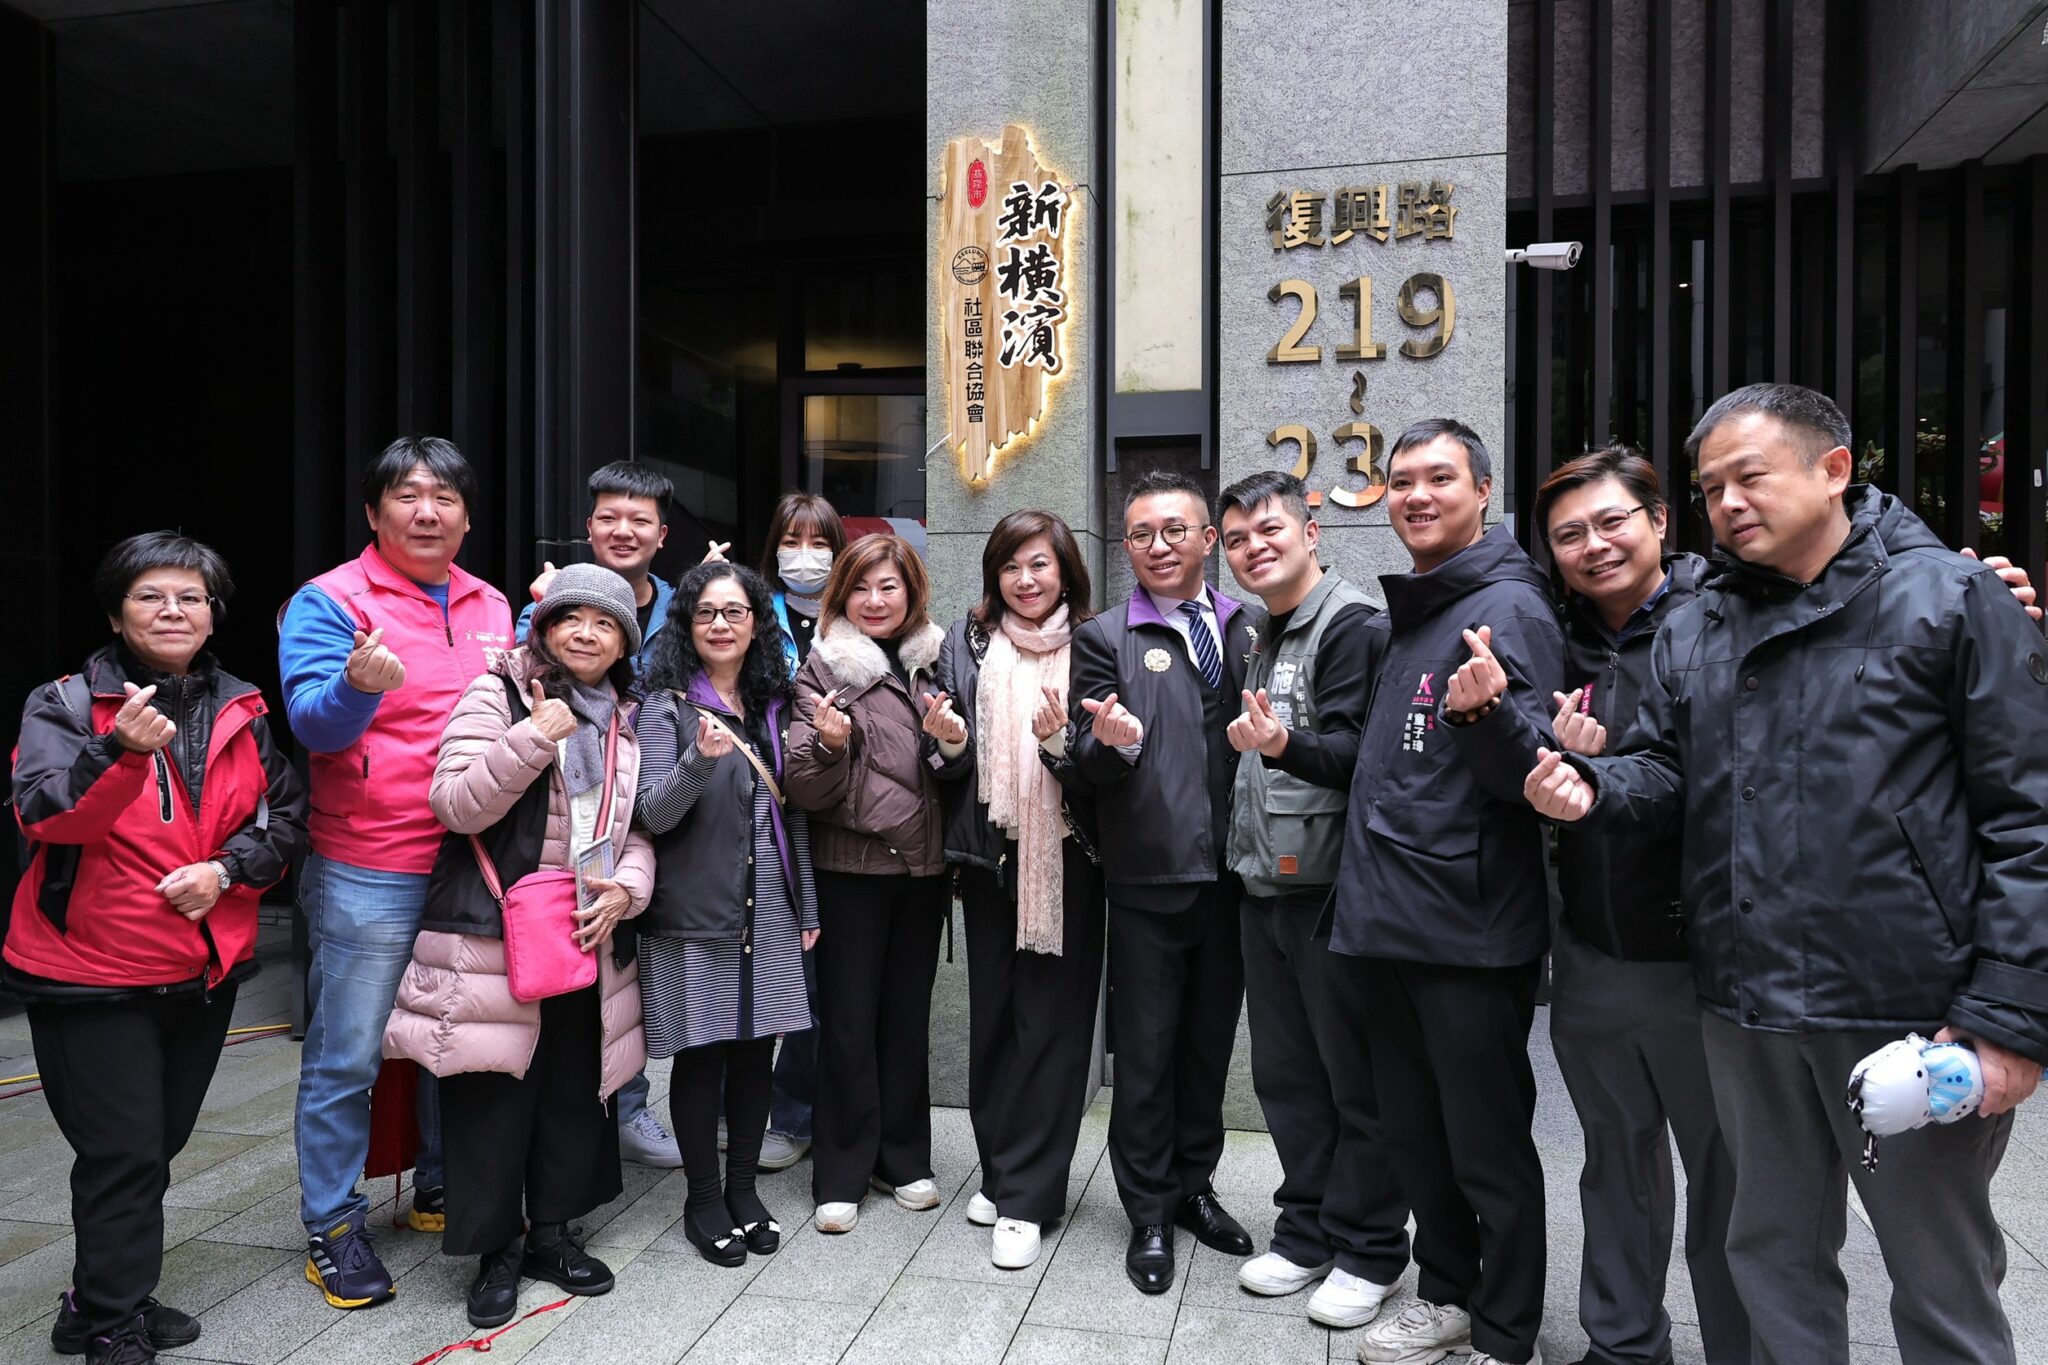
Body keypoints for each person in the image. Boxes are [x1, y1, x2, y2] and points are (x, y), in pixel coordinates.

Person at [1521, 384, 2048, 1365]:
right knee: (1770, 1259)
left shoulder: (1953, 598)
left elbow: (2028, 818)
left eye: (1748, 476)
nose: (1727, 503)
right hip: (1744, 999)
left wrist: (2009, 1018)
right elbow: (1664, 769)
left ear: (1832, 468)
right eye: (1710, 486)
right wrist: (1590, 786)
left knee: (1939, 1278)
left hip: (1908, 1007)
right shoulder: (1698, 624)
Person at [7, 533, 308, 1365]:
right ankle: (112, 1320)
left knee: (155, 1146)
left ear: (212, 614)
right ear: (115, 613)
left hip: (201, 969)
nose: (173, 610)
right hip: (90, 971)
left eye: (190, 596)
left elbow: (287, 820)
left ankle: (94, 1300)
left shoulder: (246, 710)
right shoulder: (66, 704)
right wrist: (119, 752)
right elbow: (45, 814)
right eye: (150, 595)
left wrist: (225, 870)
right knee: (126, 1153)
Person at [1331, 420, 1562, 1365]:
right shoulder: (1426, 605)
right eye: (1401, 481)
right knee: (1419, 1137)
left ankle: (1505, 1332)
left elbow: (1533, 774)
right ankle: (1448, 1295)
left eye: (1439, 478)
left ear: (1484, 489)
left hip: (1468, 929)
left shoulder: (1508, 606)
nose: (1416, 495)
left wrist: (1490, 716)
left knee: (1487, 1146)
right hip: (1393, 922)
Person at [384, 564, 654, 1330]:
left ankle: (554, 1235)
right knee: (495, 1090)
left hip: (586, 926)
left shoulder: (623, 717)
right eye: (572, 618)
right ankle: (496, 1251)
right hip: (498, 930)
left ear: (623, 643)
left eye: (605, 624)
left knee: (574, 1086)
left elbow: (633, 830)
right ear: (545, 626)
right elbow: (454, 803)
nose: (586, 634)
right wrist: (533, 737)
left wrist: (628, 889)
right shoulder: (495, 693)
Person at [281, 436, 513, 1308]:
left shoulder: (493, 604)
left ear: (466, 515)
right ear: (374, 513)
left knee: (456, 1033)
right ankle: (333, 1223)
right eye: (408, 496)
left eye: (444, 496)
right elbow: (314, 726)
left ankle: (440, 1180)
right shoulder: (330, 599)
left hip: (471, 859)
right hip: (369, 861)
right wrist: (356, 685)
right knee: (348, 1051)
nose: (427, 511)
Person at [1212, 471, 1412, 1330]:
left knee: (1353, 1083)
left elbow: (1364, 756)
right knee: (1287, 1077)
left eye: (1269, 530)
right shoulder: (1264, 629)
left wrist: (1282, 743)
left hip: (1332, 894)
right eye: (1237, 539)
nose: (1253, 548)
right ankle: (1307, 1231)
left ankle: (1370, 1249)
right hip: (1268, 888)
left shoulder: (1354, 625)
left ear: (1310, 531)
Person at [1058, 469, 1258, 1296]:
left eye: (1176, 530)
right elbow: (1083, 759)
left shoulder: (1250, 626)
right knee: (1144, 1053)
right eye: (1142, 533)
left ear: (1208, 540)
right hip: (1148, 876)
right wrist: (1115, 744)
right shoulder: (1106, 635)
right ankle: (1146, 1209)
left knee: (1206, 1048)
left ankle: (1192, 1188)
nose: (1158, 545)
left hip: (1236, 876)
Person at [931, 509, 1106, 1271]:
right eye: (1010, 565)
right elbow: (944, 754)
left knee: (1054, 1024)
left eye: (1039, 564)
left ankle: (1029, 1197)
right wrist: (951, 745)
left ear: (1066, 569)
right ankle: (1001, 1167)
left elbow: (1110, 760)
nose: (1025, 579)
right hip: (987, 854)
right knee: (996, 1020)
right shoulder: (966, 641)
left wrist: (1064, 745)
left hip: (1070, 853)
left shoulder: (1098, 642)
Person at [633, 562, 820, 1266]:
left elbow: (793, 814)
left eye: (735, 611)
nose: (720, 624)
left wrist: (807, 903)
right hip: (694, 908)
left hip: (769, 902)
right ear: (685, 624)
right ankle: (704, 1198)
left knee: (754, 1051)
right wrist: (697, 761)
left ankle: (744, 1189)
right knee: (702, 1052)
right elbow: (652, 813)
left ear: (756, 623)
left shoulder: (774, 706)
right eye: (706, 612)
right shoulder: (664, 707)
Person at [784, 533, 950, 1234]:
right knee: (848, 1024)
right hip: (850, 871)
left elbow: (956, 766)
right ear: (840, 595)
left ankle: (903, 1158)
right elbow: (802, 785)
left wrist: (953, 743)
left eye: (889, 586)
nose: (875, 600)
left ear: (912, 592)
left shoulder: (938, 662)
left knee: (906, 1021)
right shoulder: (821, 669)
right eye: (860, 587)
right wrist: (828, 745)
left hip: (923, 872)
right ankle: (842, 1170)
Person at [518, 460, 683, 1169]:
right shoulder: (548, 604)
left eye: (639, 519)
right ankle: (563, 1125)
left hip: (660, 801)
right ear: (589, 527)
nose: (623, 530)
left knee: (628, 975)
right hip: (570, 818)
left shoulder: (683, 604)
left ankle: (629, 1105)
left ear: (661, 534)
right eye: (609, 517)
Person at [750, 491, 847, 1170]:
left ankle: (804, 1113)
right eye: (792, 541)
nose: (805, 556)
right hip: (766, 815)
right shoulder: (753, 616)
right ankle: (753, 1110)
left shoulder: (856, 618)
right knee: (769, 974)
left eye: (819, 544)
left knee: (826, 980)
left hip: (839, 815)